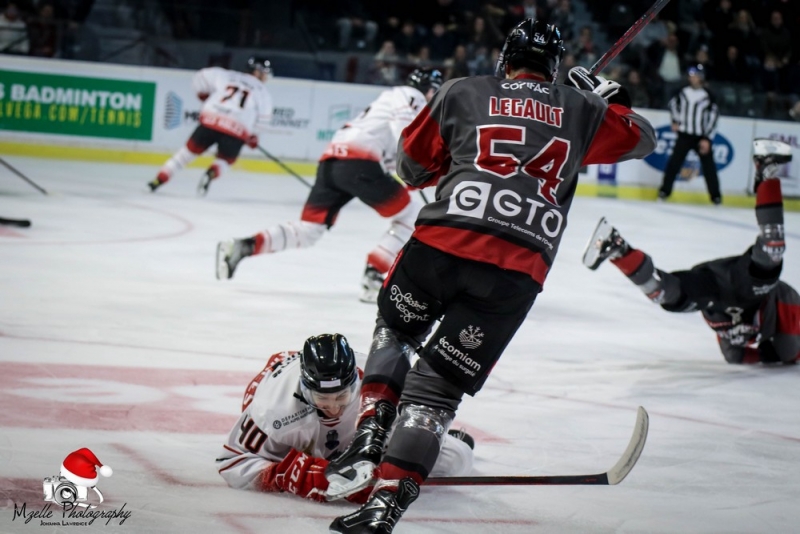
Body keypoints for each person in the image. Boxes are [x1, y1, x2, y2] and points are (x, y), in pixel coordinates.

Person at [324, 18, 657, 534]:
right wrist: (610, 98)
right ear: (555, 67)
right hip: (517, 270)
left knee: (396, 328)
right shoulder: (582, 109)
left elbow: (410, 167)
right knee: (435, 396)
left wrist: (451, 166)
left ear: (505, 60)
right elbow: (642, 141)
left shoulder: (463, 90)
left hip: (442, 244)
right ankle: (383, 507)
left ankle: (369, 436)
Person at [215, 68, 444, 303]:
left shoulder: (389, 99)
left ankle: (244, 247)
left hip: (333, 161)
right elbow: (405, 136)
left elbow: (391, 153)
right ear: (429, 89)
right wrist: (419, 170)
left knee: (309, 230)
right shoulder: (412, 96)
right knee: (412, 215)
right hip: (359, 163)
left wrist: (410, 177)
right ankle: (373, 276)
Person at [584, 139, 799, 365]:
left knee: (664, 294)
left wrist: (762, 351)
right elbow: (787, 347)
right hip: (749, 289)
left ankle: (618, 248)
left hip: (716, 294)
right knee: (772, 248)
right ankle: (766, 169)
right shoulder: (787, 309)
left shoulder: (741, 341)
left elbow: (736, 356)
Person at [216, 334, 474, 503]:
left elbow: (419, 416)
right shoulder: (274, 407)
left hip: (356, 423)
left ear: (356, 382)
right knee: (290, 451)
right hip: (293, 419)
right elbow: (232, 463)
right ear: (305, 389)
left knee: (456, 458)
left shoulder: (382, 385)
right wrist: (301, 476)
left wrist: (391, 464)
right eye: (323, 399)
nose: (334, 408)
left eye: (341, 396)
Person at [148, 57, 273, 196]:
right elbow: (263, 120)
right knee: (225, 161)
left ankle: (160, 178)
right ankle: (212, 171)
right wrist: (254, 137)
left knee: (186, 154)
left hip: (211, 119)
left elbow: (199, 77)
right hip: (236, 129)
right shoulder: (263, 92)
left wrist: (203, 96)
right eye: (265, 73)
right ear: (257, 72)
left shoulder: (226, 75)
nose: (266, 77)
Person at [658, 64, 722, 205]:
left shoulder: (708, 95)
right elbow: (673, 105)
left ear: (701, 77)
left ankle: (716, 196)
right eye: (691, 75)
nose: (692, 78)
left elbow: (713, 117)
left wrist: (707, 138)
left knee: (709, 167)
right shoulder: (682, 92)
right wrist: (675, 120)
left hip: (701, 137)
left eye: (695, 75)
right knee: (674, 164)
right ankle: (664, 191)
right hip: (685, 135)